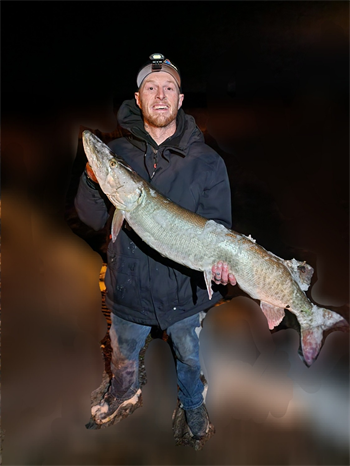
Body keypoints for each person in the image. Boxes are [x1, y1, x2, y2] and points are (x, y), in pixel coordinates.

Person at [74, 53, 236, 441]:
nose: (160, 95)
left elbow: (220, 228)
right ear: (138, 98)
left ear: (180, 100)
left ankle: (193, 403)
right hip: (128, 293)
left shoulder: (208, 162)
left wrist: (223, 265)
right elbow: (93, 219)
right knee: (123, 353)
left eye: (169, 89)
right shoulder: (119, 154)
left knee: (189, 357)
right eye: (151, 88)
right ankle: (124, 391)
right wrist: (95, 178)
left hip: (187, 295)